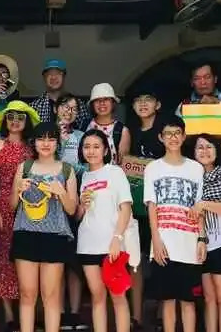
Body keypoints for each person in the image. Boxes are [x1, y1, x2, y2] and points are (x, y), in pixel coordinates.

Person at [10, 122, 78, 332]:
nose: (46, 143)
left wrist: (61, 192)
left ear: (58, 143)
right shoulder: (24, 167)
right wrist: (18, 189)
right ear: (34, 142)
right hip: (25, 234)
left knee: (51, 295)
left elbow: (72, 209)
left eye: (51, 139)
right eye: (41, 139)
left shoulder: (67, 169)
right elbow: (12, 205)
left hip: (55, 236)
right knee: (27, 294)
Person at [143, 116, 207, 332]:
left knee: (188, 301)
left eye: (177, 133)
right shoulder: (153, 168)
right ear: (161, 137)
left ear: (184, 136)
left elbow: (200, 207)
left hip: (190, 242)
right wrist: (155, 240)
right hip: (164, 242)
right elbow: (152, 206)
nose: (173, 138)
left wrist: (202, 238)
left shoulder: (196, 168)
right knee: (167, 299)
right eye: (168, 134)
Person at [0, 101, 38, 332]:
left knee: (24, 260)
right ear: (4, 121)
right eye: (11, 117)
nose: (15, 121)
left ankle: (24, 312)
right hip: (3, 207)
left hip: (29, 209)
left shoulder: (31, 149)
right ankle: (8, 315)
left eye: (20, 117)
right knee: (4, 259)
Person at [76, 129, 133, 332]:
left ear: (106, 150)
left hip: (112, 244)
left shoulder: (115, 172)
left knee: (118, 296)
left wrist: (117, 238)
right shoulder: (83, 176)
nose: (91, 151)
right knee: (97, 296)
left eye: (96, 146)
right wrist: (82, 205)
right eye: (87, 147)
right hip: (87, 243)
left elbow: (126, 207)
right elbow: (78, 215)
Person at [188, 134, 221, 332]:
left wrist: (204, 205)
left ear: (217, 151)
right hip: (200, 244)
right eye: (200, 147)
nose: (205, 151)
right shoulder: (192, 177)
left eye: (209, 146)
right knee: (209, 298)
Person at [128, 90, 165, 330]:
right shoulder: (129, 133)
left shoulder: (165, 132)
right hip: (136, 205)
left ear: (157, 104)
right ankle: (136, 317)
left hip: (162, 204)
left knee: (163, 256)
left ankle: (162, 314)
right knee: (136, 260)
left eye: (148, 100)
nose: (143, 104)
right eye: (138, 101)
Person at [54, 94, 86, 330]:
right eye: (65, 106)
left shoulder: (81, 136)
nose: (69, 111)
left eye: (74, 108)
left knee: (74, 261)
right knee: (56, 261)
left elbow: (86, 165)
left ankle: (74, 313)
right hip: (49, 205)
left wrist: (71, 168)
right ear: (57, 108)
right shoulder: (47, 133)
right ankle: (57, 312)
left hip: (75, 201)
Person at [30, 59, 91, 130]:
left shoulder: (78, 104)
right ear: (44, 77)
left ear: (64, 76)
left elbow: (86, 131)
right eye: (49, 74)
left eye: (58, 73)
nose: (53, 77)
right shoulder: (35, 106)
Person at [87, 83, 130, 165]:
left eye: (106, 99)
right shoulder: (84, 125)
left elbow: (123, 164)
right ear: (92, 104)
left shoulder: (122, 130)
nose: (102, 103)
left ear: (113, 103)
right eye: (97, 100)